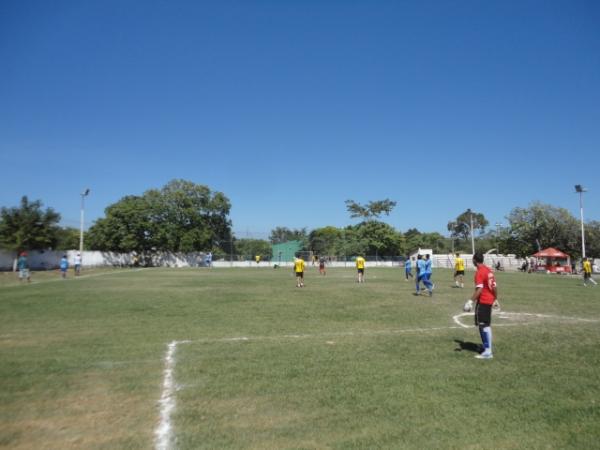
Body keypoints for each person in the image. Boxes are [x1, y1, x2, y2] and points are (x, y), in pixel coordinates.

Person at [470, 252, 498, 359]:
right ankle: (487, 347)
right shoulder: (488, 270)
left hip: (483, 301)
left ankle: (488, 351)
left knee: (483, 325)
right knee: (486, 325)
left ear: (474, 260)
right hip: (489, 300)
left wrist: (470, 301)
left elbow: (480, 290)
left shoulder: (480, 272)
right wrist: (495, 298)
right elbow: (494, 286)